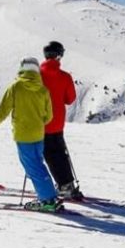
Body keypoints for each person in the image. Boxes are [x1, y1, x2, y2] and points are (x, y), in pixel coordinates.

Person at [0, 57, 61, 212]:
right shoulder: (43, 90)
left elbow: (1, 114)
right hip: (39, 135)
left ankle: (47, 200)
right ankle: (49, 195)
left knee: (33, 168)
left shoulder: (16, 87)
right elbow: (49, 116)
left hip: (23, 135)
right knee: (38, 165)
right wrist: (37, 121)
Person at [39, 41, 82, 199]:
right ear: (58, 56)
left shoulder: (37, 75)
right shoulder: (65, 76)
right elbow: (70, 99)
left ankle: (64, 186)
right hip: (58, 122)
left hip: (41, 122)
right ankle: (67, 184)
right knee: (60, 153)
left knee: (49, 155)